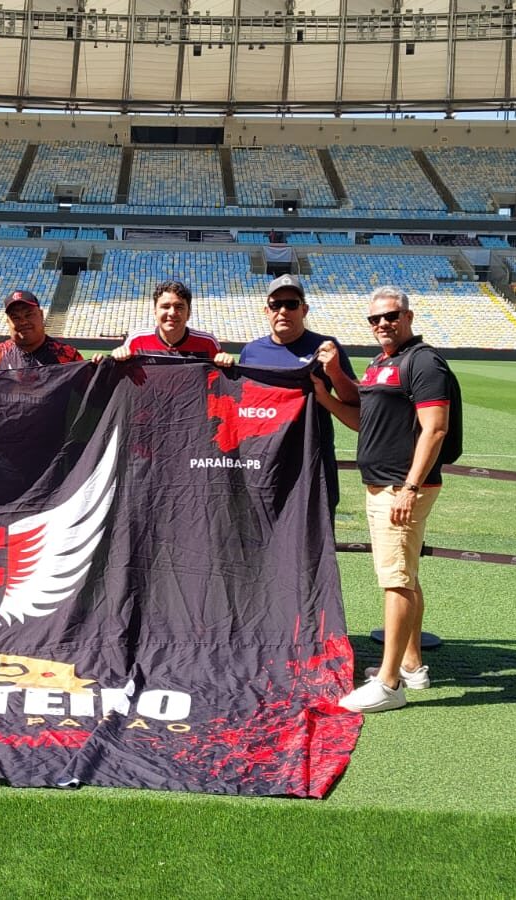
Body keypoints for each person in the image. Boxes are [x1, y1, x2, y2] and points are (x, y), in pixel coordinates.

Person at [316, 287, 453, 714]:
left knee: (395, 580)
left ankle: (389, 682)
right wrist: (327, 399)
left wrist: (410, 487)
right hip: (385, 483)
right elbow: (365, 421)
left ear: (407, 315)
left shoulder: (424, 361)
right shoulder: (381, 362)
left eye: (390, 316)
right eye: (374, 320)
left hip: (399, 487)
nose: (382, 324)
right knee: (405, 573)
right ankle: (411, 663)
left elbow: (435, 429)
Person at [214, 274, 359, 513]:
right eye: (275, 305)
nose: (283, 311)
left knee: (313, 536)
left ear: (304, 309)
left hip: (312, 462)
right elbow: (242, 404)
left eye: (291, 304)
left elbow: (355, 401)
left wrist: (334, 372)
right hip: (265, 462)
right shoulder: (252, 351)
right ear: (266, 310)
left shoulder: (326, 347)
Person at [0, 290, 83, 371]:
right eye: (15, 317)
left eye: (29, 314)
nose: (23, 322)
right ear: (8, 321)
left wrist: (99, 368)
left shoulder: (68, 356)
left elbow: (91, 391)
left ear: (41, 315)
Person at [110, 280, 221, 361]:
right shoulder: (137, 340)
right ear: (155, 311)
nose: (172, 313)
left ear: (188, 313)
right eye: (165, 306)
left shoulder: (208, 343)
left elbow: (220, 385)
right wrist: (117, 358)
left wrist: (226, 362)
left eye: (179, 307)